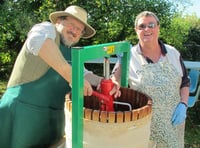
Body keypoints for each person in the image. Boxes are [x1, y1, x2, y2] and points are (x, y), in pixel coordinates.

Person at [0, 5, 120, 147]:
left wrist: (105, 82)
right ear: (58, 22)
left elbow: (83, 74)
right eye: (71, 25)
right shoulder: (46, 29)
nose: (74, 31)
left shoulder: (72, 52)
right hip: (22, 114)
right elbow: (37, 41)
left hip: (52, 120)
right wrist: (73, 77)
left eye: (79, 30)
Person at [111, 11, 190, 148]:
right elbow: (114, 80)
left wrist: (183, 104)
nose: (147, 29)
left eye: (151, 25)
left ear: (158, 28)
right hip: (142, 128)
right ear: (136, 31)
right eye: (142, 26)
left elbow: (185, 82)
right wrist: (120, 64)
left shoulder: (173, 53)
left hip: (173, 126)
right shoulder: (128, 56)